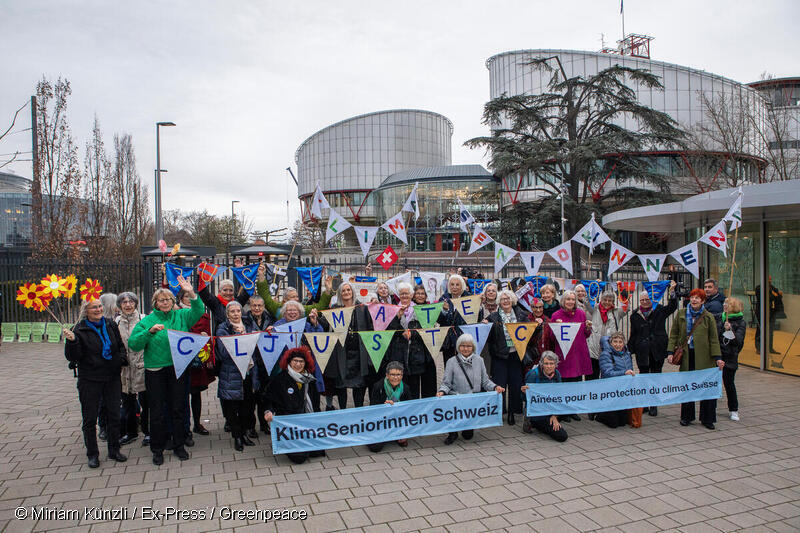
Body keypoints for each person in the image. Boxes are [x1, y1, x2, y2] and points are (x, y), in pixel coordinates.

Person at [128, 275, 204, 465]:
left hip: (178, 369)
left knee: (178, 408)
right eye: (161, 300)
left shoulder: (181, 315)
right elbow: (134, 344)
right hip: (155, 371)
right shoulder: (148, 320)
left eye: (168, 299)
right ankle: (157, 448)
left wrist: (191, 293)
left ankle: (179, 445)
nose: (165, 302)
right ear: (155, 303)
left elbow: (199, 310)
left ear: (173, 301)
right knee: (158, 411)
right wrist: (149, 332)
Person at [64, 299, 129, 468]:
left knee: (114, 414)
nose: (99, 309)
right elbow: (73, 357)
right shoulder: (78, 329)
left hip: (112, 377)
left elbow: (120, 345)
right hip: (90, 379)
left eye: (100, 306)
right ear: (86, 310)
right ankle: (92, 454)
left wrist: (121, 360)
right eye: (94, 307)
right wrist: (72, 342)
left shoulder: (109, 324)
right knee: (90, 418)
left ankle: (114, 449)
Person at [667, 288, 724, 430]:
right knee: (687, 387)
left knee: (705, 388)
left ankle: (707, 418)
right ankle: (686, 416)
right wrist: (669, 352)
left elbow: (713, 339)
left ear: (703, 301)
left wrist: (717, 357)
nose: (694, 300)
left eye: (697, 298)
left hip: (705, 358)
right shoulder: (681, 314)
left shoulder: (708, 316)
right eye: (692, 297)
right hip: (687, 356)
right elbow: (673, 334)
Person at [437, 334, 505, 445]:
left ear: (473, 347)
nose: (465, 348)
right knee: (453, 416)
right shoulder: (451, 361)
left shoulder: (480, 360)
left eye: (468, 346)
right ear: (458, 347)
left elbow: (485, 381)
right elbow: (446, 383)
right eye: (462, 345)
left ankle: (467, 427)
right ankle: (452, 433)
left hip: (472, 400)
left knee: (468, 436)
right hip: (456, 398)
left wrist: (495, 387)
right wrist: (442, 391)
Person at [263, 347, 326, 464]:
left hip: (306, 422)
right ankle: (282, 442)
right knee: (299, 458)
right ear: (289, 362)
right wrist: (268, 411)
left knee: (318, 452)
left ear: (306, 363)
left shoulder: (310, 380)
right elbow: (268, 400)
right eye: (295, 361)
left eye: (301, 361)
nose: (298, 364)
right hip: (289, 424)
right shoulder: (280, 379)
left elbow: (315, 405)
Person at [319, 281, 374, 409]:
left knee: (359, 385)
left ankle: (359, 410)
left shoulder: (362, 308)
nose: (346, 292)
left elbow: (370, 328)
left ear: (352, 292)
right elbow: (326, 324)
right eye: (343, 291)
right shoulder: (335, 308)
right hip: (341, 352)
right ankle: (343, 411)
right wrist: (316, 319)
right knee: (341, 385)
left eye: (348, 290)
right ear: (340, 294)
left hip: (359, 353)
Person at [215, 301, 260, 451]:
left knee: (247, 406)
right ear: (227, 314)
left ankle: (245, 433)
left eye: (238, 311)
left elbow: (257, 342)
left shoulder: (249, 325)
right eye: (232, 311)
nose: (236, 314)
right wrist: (237, 338)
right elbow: (222, 352)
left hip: (248, 371)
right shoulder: (223, 328)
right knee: (232, 407)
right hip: (231, 373)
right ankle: (237, 437)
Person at [627, 281, 678, 416]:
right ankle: (644, 404)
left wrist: (672, 292)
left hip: (657, 349)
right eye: (642, 300)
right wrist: (629, 350)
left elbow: (673, 307)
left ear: (652, 299)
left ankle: (654, 404)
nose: (644, 302)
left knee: (656, 376)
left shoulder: (660, 309)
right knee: (644, 377)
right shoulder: (634, 315)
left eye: (647, 299)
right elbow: (634, 334)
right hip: (642, 350)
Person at [485, 289, 530, 425]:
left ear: (512, 300)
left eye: (508, 298)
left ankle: (513, 411)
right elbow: (488, 336)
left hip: (516, 354)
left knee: (516, 384)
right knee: (500, 384)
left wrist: (538, 325)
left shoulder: (521, 314)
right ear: (499, 301)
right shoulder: (493, 317)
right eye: (503, 299)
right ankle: (500, 411)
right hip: (500, 355)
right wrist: (485, 324)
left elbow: (530, 330)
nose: (505, 301)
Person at [382, 282, 434, 398]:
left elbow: (426, 330)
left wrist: (412, 334)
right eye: (402, 294)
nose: (404, 296)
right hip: (399, 354)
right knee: (401, 387)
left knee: (414, 388)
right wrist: (398, 317)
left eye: (406, 293)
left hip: (415, 355)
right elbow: (388, 330)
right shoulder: (393, 309)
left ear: (411, 295)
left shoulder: (419, 309)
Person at [272, 301, 325, 410]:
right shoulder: (277, 326)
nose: (292, 313)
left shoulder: (306, 324)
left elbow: (319, 338)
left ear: (300, 313)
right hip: (287, 369)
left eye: (295, 310)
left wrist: (315, 324)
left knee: (311, 397)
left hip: (306, 368)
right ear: (284, 313)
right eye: (289, 310)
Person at [177, 288, 215, 439]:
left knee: (196, 394)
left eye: (191, 297)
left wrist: (209, 358)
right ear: (181, 298)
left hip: (198, 360)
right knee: (181, 395)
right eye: (186, 296)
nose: (189, 299)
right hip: (181, 358)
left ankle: (197, 423)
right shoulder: (177, 314)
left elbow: (209, 339)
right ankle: (183, 427)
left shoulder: (203, 316)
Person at [550, 290, 593, 422]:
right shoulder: (556, 315)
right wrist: (556, 327)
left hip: (578, 352)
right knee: (564, 383)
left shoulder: (581, 313)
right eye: (568, 299)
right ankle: (563, 412)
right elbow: (552, 338)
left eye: (572, 299)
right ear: (563, 301)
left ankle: (573, 409)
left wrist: (588, 328)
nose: (570, 302)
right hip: (564, 354)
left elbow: (586, 335)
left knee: (576, 382)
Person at [116, 292, 145, 446]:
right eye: (124, 302)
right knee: (127, 401)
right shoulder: (116, 322)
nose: (128, 305)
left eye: (131, 302)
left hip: (141, 365)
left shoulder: (143, 319)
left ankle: (148, 431)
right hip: (124, 369)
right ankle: (131, 431)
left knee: (145, 401)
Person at [256, 263, 333, 319]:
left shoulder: (303, 309)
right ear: (285, 299)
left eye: (297, 296)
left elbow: (320, 306)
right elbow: (265, 297)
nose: (296, 299)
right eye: (293, 297)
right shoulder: (277, 308)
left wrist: (328, 289)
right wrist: (261, 275)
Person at [521, 351, 568, 442]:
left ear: (556, 364)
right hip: (538, 412)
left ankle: (550, 422)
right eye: (546, 363)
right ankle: (531, 422)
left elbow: (559, 397)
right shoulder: (533, 375)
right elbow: (525, 399)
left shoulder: (557, 374)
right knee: (562, 436)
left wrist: (555, 416)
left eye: (551, 364)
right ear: (541, 364)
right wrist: (524, 393)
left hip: (551, 409)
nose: (549, 366)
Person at [244, 294, 273, 436]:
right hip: (250, 363)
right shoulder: (245, 320)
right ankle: (250, 426)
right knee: (250, 397)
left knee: (265, 396)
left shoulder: (269, 319)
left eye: (259, 305)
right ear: (250, 306)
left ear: (263, 307)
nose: (257, 308)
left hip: (266, 362)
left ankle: (264, 424)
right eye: (254, 305)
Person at [367, 361, 412, 452]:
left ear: (402, 375)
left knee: (403, 441)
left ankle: (396, 434)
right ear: (387, 375)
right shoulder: (378, 387)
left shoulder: (405, 389)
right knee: (375, 448)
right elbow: (373, 409)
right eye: (392, 375)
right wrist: (384, 407)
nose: (396, 378)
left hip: (398, 420)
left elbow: (409, 410)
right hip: (382, 421)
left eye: (398, 375)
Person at [595, 333, 635, 428]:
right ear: (611, 343)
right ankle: (599, 415)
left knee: (622, 422)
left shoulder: (627, 353)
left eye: (620, 342)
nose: (618, 344)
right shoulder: (606, 354)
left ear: (624, 343)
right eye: (615, 342)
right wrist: (624, 373)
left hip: (623, 388)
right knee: (614, 424)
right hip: (610, 388)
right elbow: (607, 373)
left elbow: (631, 369)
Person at [439, 274, 480, 363]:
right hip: (449, 341)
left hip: (465, 339)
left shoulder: (469, 297)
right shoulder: (443, 298)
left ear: (462, 286)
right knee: (449, 366)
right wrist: (444, 311)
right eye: (452, 284)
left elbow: (476, 318)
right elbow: (439, 320)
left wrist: (479, 306)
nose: (454, 287)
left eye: (457, 284)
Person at [587, 291, 627, 381]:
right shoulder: (594, 309)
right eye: (605, 300)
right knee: (592, 378)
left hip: (609, 351)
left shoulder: (617, 312)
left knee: (608, 378)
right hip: (594, 350)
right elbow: (587, 301)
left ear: (613, 302)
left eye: (610, 300)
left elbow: (626, 306)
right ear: (601, 300)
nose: (607, 302)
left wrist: (621, 290)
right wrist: (595, 286)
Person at [719, 297, 746, 421]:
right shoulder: (720, 318)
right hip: (718, 356)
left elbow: (738, 342)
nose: (724, 305)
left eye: (727, 304)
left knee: (729, 384)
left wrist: (729, 330)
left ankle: (733, 409)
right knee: (714, 383)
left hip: (730, 357)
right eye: (724, 303)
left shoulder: (740, 322)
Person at [754, 276, 783, 354]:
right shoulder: (759, 288)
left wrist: (776, 295)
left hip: (771, 312)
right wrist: (775, 295)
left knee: (770, 331)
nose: (770, 281)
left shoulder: (772, 288)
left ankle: (770, 348)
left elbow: (779, 296)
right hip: (761, 312)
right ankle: (759, 348)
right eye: (768, 279)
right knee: (760, 330)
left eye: (770, 279)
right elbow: (768, 297)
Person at [526, 297, 554, 367]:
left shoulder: (548, 321)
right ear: (531, 308)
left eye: (540, 307)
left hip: (546, 356)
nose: (538, 310)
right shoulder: (526, 320)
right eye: (535, 307)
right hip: (532, 356)